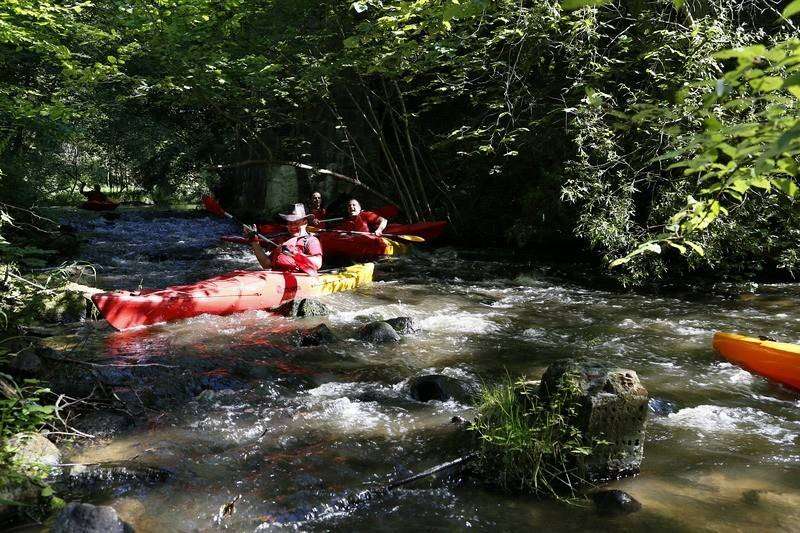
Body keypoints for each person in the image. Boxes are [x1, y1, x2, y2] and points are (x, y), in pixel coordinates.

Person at [245, 204, 323, 273]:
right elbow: (266, 264)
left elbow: (317, 263)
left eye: (296, 222)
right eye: (289, 223)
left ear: (305, 222)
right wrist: (254, 242)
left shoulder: (311, 241)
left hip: (299, 280)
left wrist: (295, 254)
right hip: (277, 279)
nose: (292, 226)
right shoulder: (284, 241)